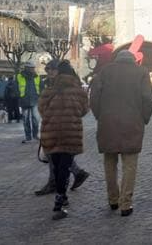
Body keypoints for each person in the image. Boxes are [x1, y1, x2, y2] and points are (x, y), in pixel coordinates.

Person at [90, 50, 152, 217]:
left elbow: (94, 97)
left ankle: (112, 199)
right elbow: (149, 98)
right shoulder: (141, 72)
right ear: (133, 60)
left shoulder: (105, 71)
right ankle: (125, 203)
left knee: (109, 163)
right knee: (130, 165)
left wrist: (100, 116)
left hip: (108, 123)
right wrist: (143, 118)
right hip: (132, 123)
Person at [38, 61, 89, 220]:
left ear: (58, 74)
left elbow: (41, 110)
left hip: (51, 132)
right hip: (70, 132)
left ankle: (62, 197)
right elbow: (84, 110)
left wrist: (52, 117)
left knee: (56, 166)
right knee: (64, 167)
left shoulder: (49, 90)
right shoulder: (79, 91)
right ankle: (59, 199)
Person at [17, 62, 41, 143]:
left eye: (33, 68)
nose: (33, 69)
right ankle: (28, 137)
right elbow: (16, 88)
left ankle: (35, 135)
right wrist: (19, 98)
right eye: (31, 68)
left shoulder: (37, 77)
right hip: (24, 101)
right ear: (26, 68)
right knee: (26, 120)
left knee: (36, 119)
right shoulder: (19, 76)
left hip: (35, 100)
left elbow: (41, 88)